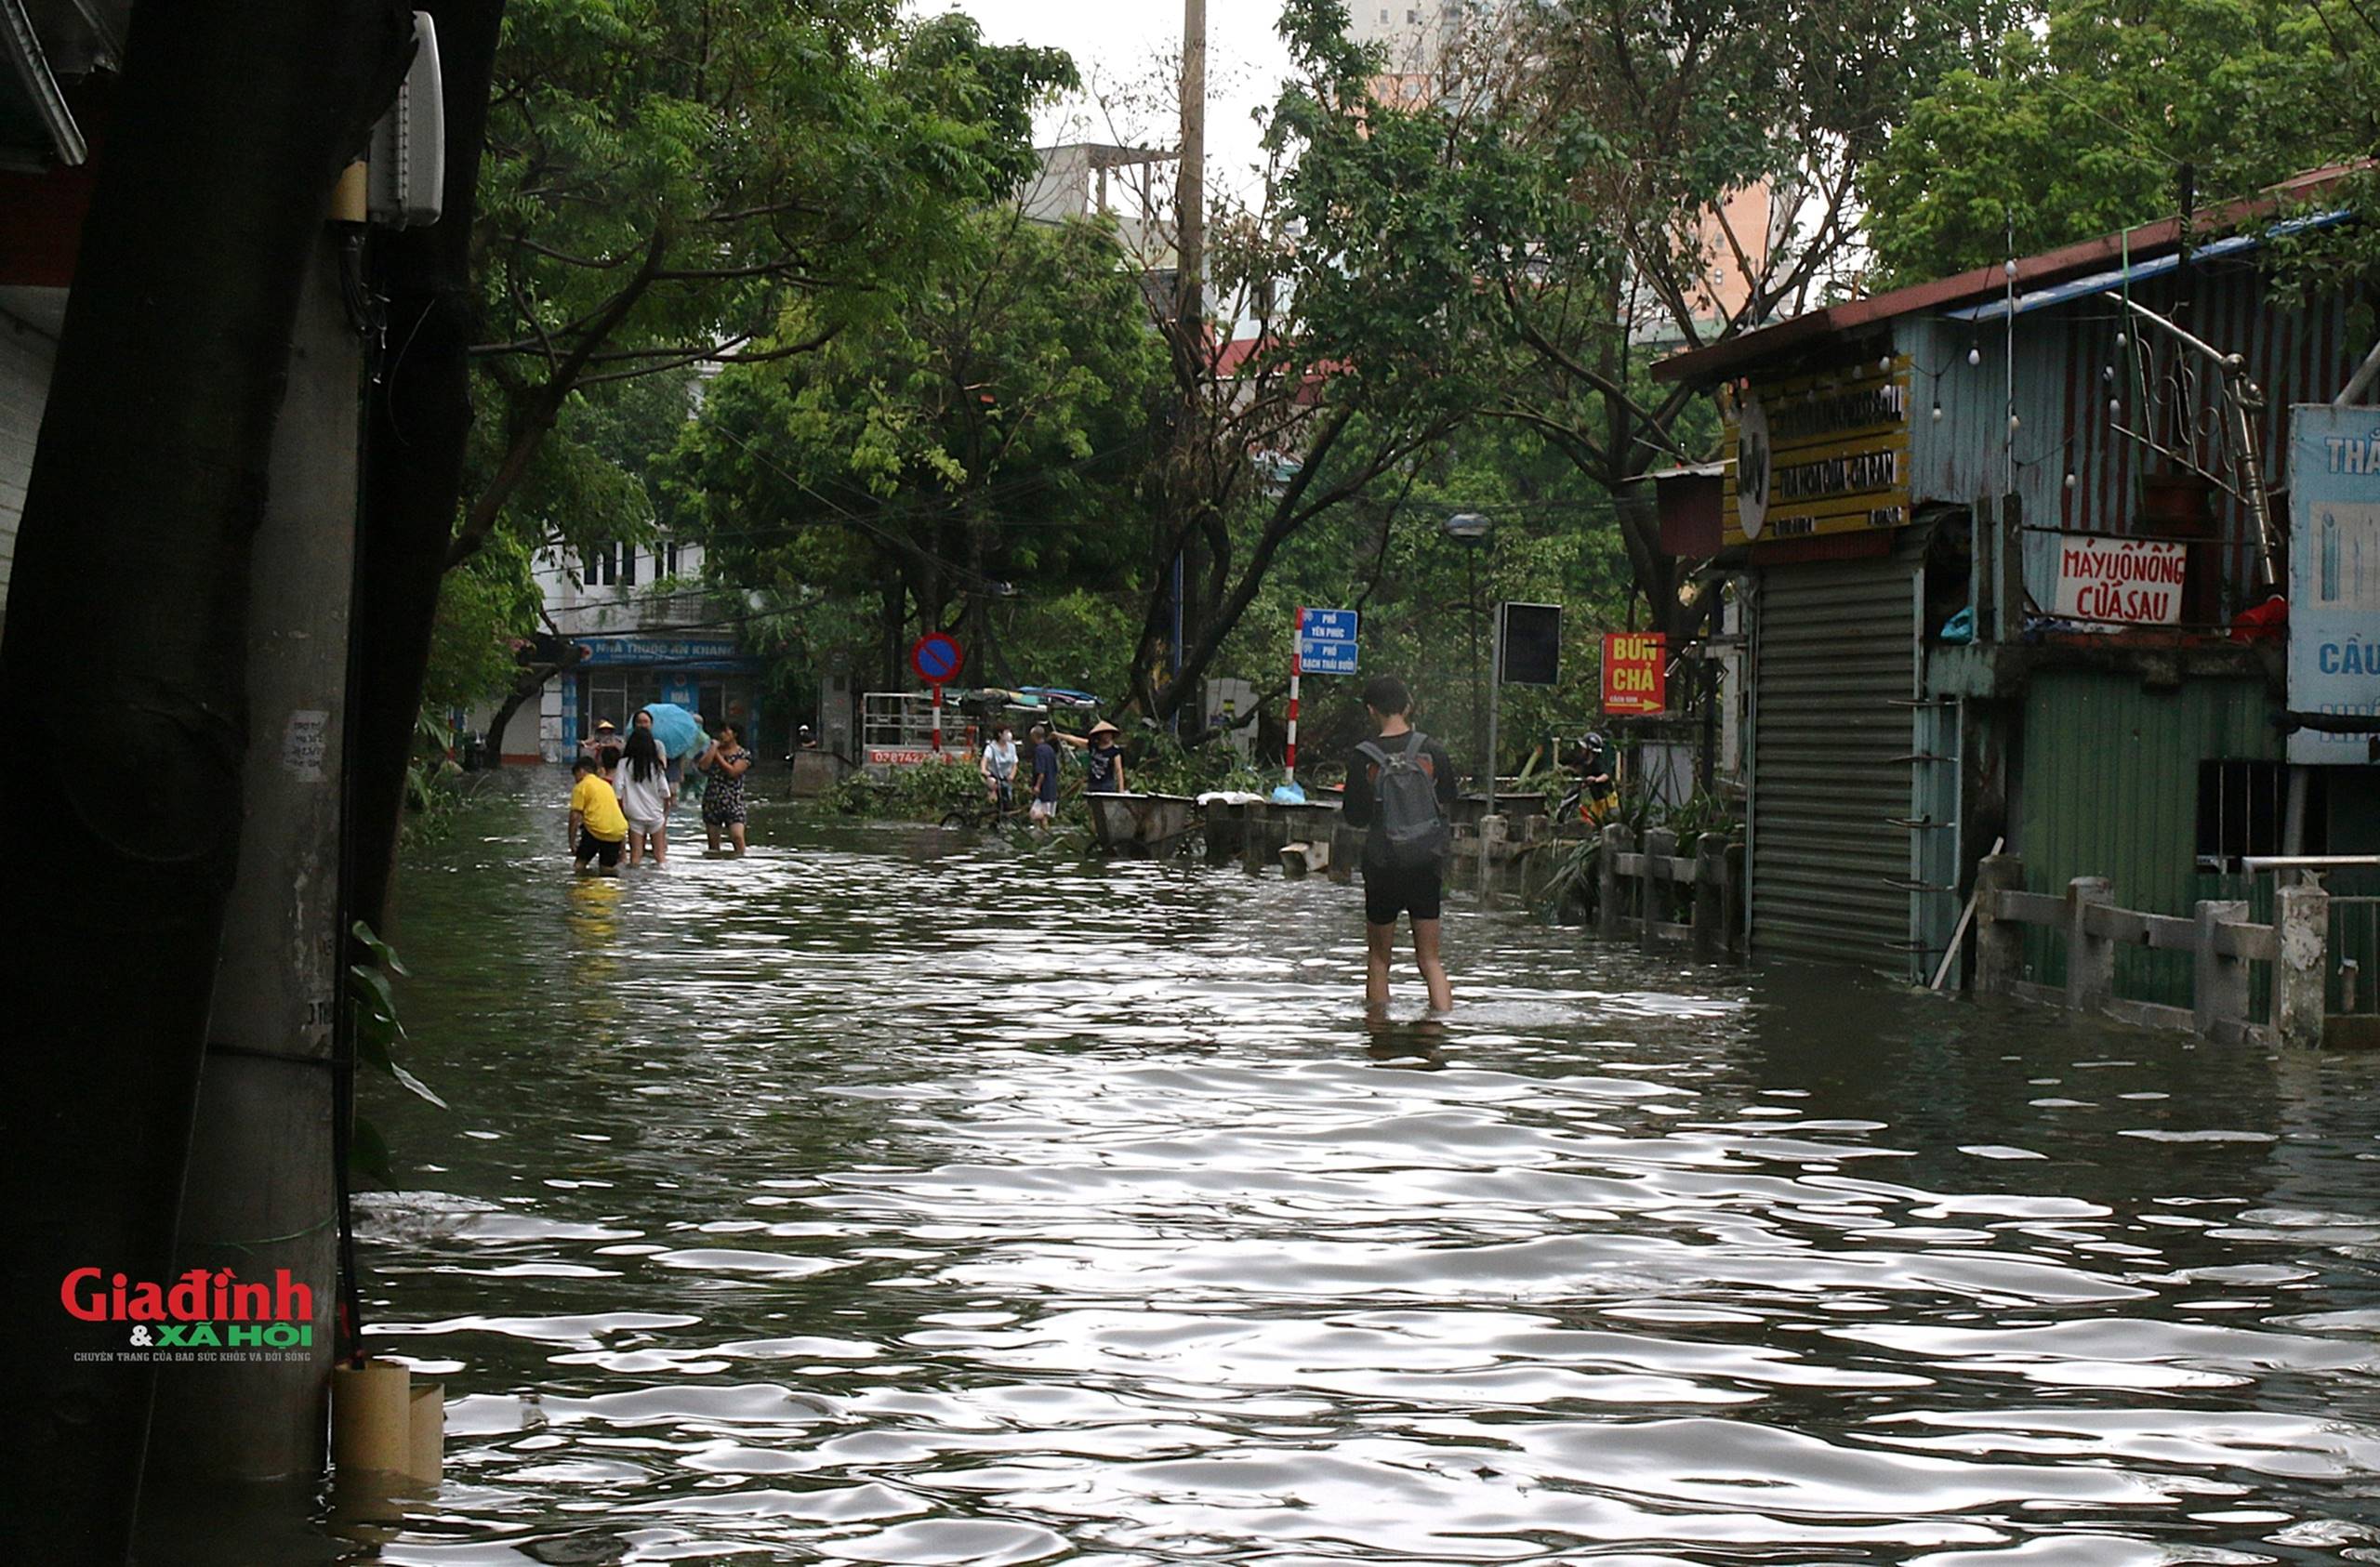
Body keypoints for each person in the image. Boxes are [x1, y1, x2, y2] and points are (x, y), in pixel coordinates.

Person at [1341, 674, 1457, 1015]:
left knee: (1379, 959)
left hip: (1382, 863)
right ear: (1407, 707)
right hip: (1425, 861)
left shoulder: (1363, 757)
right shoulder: (1432, 751)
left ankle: (1378, 1032)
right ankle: (1442, 1027)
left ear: (1371, 710)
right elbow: (1448, 798)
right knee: (1430, 959)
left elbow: (1355, 817)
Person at [615, 726, 675, 866]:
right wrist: (664, 813)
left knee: (635, 856)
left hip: (634, 815)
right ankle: (662, 878)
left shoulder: (623, 764)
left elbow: (617, 791)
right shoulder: (656, 766)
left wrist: (622, 813)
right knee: (660, 856)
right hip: (655, 814)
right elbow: (665, 793)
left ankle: (635, 879)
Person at [696, 720, 753, 855]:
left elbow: (733, 772)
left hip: (733, 800)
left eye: (726, 731)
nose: (722, 734)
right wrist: (713, 750)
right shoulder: (712, 750)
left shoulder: (743, 754)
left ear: (735, 734)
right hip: (712, 800)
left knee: (737, 836)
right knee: (713, 844)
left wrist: (718, 756)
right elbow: (703, 767)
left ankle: (740, 861)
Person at [567, 755, 628, 875]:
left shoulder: (581, 786)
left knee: (579, 866)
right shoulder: (606, 785)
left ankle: (584, 885)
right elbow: (615, 814)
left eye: (575, 776)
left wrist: (572, 843)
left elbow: (574, 817)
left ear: (581, 771)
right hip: (617, 833)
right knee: (607, 870)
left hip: (596, 831)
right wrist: (623, 850)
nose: (575, 780)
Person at [1051, 718, 1128, 793]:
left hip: (1107, 785)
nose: (1107, 736)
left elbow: (1118, 770)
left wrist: (1121, 789)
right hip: (1093, 784)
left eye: (1109, 734)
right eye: (1105, 734)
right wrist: (1059, 735)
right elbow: (1075, 739)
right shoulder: (1093, 746)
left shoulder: (1114, 751)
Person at [1028, 722, 1062, 825]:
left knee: (1036, 814)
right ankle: (1043, 832)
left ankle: (1042, 832)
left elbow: (1041, 771)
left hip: (1044, 790)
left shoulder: (1039, 750)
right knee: (1044, 816)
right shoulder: (1050, 749)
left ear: (1034, 736)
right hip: (1052, 788)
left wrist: (1037, 786)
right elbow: (1055, 769)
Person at [980, 724, 1020, 812]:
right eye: (1006, 732)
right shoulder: (991, 747)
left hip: (1007, 779)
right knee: (995, 799)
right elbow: (984, 760)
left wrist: (1012, 775)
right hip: (995, 777)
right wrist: (984, 770)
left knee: (1008, 801)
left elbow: (1015, 763)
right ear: (1000, 734)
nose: (1009, 734)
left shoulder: (1011, 747)